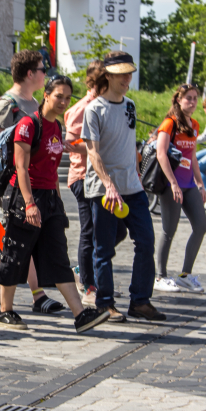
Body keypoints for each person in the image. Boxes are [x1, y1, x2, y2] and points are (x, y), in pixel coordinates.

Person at [0, 75, 110, 333]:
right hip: (25, 197)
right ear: (46, 95)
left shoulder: (56, 127)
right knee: (15, 254)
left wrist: (56, 201)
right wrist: (30, 204)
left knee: (58, 255)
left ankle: (80, 315)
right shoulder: (28, 124)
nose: (63, 101)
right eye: (59, 96)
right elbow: (21, 168)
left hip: (50, 199)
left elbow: (52, 167)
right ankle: (5, 311)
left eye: (68, 98)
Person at [0, 49, 64, 314]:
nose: (45, 73)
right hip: (14, 183)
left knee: (11, 235)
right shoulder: (8, 104)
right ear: (29, 73)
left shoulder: (34, 103)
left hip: (33, 181)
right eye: (42, 69)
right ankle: (38, 296)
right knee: (27, 236)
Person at [82, 51, 163, 321]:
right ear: (108, 75)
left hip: (133, 187)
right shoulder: (94, 109)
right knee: (103, 247)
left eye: (130, 73)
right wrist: (109, 184)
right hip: (104, 191)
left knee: (146, 241)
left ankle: (140, 300)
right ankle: (104, 303)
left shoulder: (130, 105)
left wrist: (137, 175)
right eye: (122, 74)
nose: (128, 78)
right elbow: (92, 152)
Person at [64, 60, 127, 321]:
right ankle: (87, 284)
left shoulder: (110, 105)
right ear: (98, 81)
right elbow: (69, 143)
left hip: (105, 178)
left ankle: (86, 267)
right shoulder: (83, 107)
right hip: (82, 176)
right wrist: (92, 147)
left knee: (118, 230)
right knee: (90, 232)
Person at [154, 84, 206, 294]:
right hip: (171, 185)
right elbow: (161, 154)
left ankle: (185, 276)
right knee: (169, 231)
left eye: (195, 98)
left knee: (201, 227)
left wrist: (200, 182)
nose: (192, 102)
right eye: (188, 98)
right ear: (178, 99)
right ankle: (160, 276)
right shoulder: (169, 124)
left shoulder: (194, 124)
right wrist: (173, 183)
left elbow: (192, 155)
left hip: (188, 185)